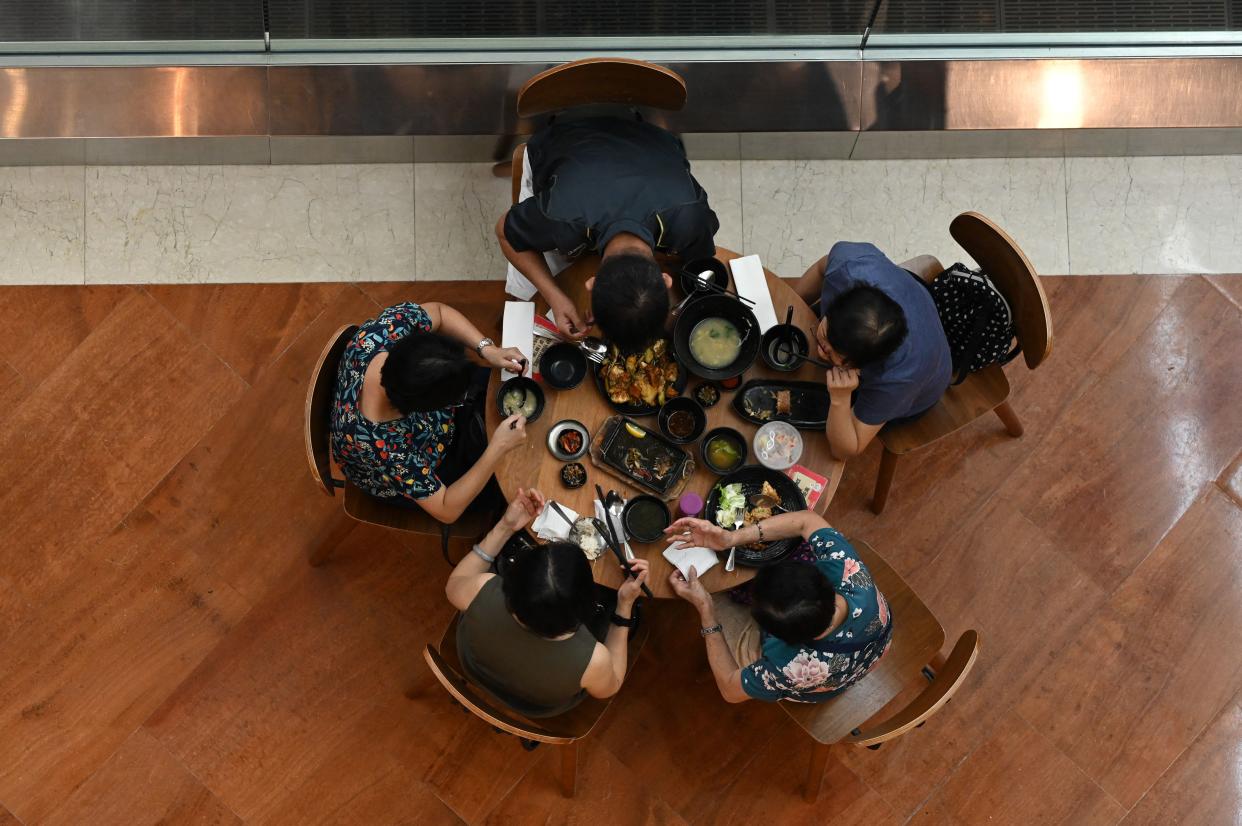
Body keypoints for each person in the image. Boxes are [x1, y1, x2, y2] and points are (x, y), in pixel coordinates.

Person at [496, 115, 720, 350]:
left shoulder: (691, 218)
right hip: (563, 132)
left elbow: (700, 263)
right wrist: (554, 296)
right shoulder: (561, 218)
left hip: (650, 135)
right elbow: (503, 233)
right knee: (524, 288)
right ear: (665, 280)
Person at [447, 488, 650, 717]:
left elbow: (455, 583)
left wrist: (505, 526)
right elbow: (611, 686)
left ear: (511, 581)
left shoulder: (480, 588)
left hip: (474, 666)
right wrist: (624, 605)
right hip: (533, 707)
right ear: (588, 606)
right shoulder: (594, 661)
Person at [663, 509, 892, 704]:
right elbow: (806, 520)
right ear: (822, 578)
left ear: (776, 637)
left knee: (723, 604)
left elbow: (729, 689)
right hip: (876, 645)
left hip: (825, 684)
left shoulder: (789, 666)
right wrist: (729, 539)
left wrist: (707, 612)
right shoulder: (852, 577)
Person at [330, 301, 529, 523]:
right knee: (504, 488)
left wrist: (487, 349)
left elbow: (440, 313)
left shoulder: (383, 335)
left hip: (427, 419)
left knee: (500, 384)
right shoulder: (381, 445)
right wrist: (498, 447)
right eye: (457, 398)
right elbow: (446, 510)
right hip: (413, 467)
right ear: (423, 410)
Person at [793, 241, 952, 459]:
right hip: (911, 308)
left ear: (861, 367)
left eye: (833, 354)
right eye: (825, 337)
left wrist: (841, 398)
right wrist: (792, 306)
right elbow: (823, 268)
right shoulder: (851, 264)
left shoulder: (898, 377)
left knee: (815, 420)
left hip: (921, 387)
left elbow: (846, 449)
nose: (823, 351)